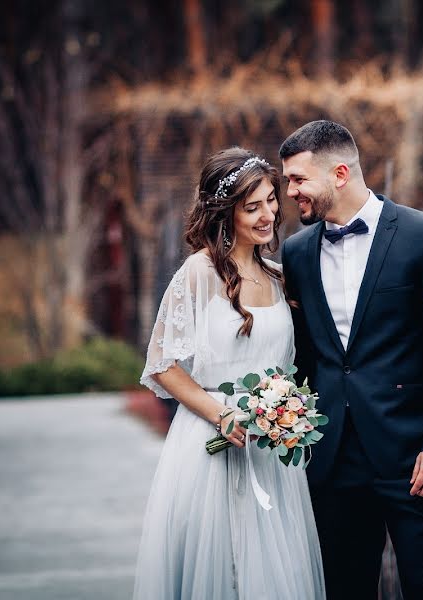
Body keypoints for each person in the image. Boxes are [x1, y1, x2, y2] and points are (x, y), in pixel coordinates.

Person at [280, 120, 423, 599]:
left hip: (416, 459)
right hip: (332, 463)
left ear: (340, 174)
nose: (290, 193)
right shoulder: (297, 252)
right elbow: (306, 355)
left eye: (298, 180)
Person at [133, 147, 326, 599]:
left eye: (271, 201)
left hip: (271, 451)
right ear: (225, 212)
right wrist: (221, 414)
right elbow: (162, 364)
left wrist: (286, 412)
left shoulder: (279, 277)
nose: (268, 215)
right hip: (209, 447)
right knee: (220, 571)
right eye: (252, 206)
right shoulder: (198, 273)